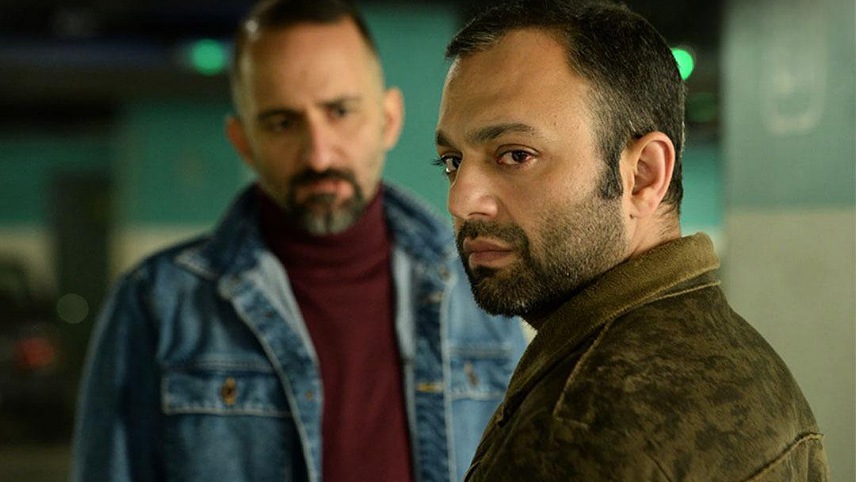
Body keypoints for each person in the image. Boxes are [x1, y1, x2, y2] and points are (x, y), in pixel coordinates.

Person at [71, 1, 526, 481]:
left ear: (388, 120)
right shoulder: (155, 303)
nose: (318, 154)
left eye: (340, 111)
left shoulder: (476, 282)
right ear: (244, 141)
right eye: (283, 122)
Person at [434, 1, 830, 480]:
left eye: (516, 155)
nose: (461, 201)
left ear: (643, 175)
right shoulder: (745, 360)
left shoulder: (577, 427)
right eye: (452, 161)